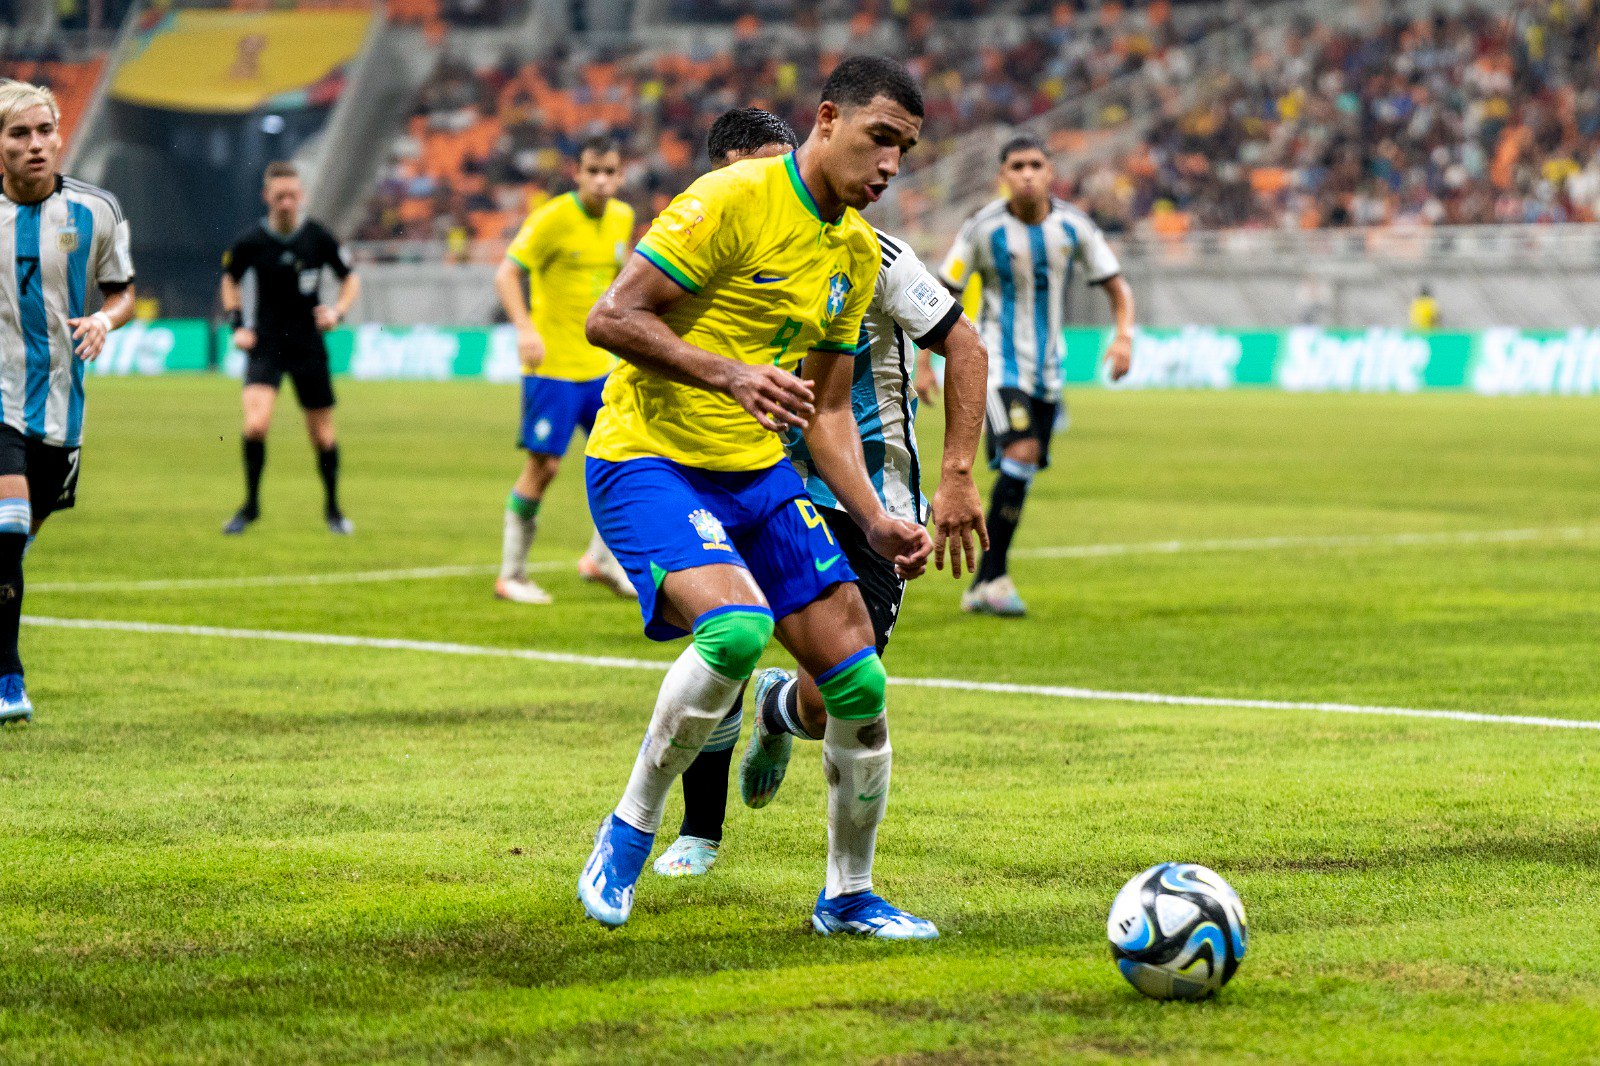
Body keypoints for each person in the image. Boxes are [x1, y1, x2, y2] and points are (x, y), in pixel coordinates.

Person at [578, 56, 940, 939]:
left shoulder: (854, 252)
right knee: (736, 629)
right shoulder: (730, 199)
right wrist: (728, 373)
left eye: (906, 149)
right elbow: (612, 318)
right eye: (879, 138)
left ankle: (848, 896)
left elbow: (823, 417)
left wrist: (875, 517)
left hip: (758, 475)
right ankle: (627, 833)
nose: (890, 164)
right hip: (649, 458)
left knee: (858, 682)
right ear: (826, 119)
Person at [652, 107, 989, 879]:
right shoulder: (707, 246)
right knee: (724, 641)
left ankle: (780, 711)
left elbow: (962, 344)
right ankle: (700, 833)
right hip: (747, 480)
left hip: (866, 498)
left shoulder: (868, 250)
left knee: (833, 695)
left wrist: (958, 474)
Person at [939, 134, 1135, 617]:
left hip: (1049, 369)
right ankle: (996, 579)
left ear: (1051, 172)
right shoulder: (982, 229)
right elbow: (943, 290)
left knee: (1020, 471)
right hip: (998, 363)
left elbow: (1117, 287)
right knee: (1021, 450)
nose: (1026, 174)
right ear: (1002, 176)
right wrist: (925, 362)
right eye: (1017, 166)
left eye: (1035, 165)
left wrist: (1124, 335)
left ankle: (985, 581)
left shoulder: (1074, 226)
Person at [0, 79, 136, 722]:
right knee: (9, 525)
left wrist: (106, 321)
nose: (35, 146)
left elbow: (123, 291)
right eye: (18, 133)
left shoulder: (96, 210)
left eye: (44, 131)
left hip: (59, 408)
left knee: (11, 549)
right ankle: (9, 681)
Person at [493, 136, 634, 604]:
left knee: (626, 462)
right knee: (545, 466)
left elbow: (617, 283)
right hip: (551, 365)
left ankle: (600, 559)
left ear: (621, 174)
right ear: (577, 172)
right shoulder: (552, 218)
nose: (602, 180)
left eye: (610, 172)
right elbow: (507, 273)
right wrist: (523, 328)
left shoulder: (622, 218)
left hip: (601, 367)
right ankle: (511, 574)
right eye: (593, 171)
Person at [220, 161, 362, 536]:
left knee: (323, 436)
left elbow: (350, 279)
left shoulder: (317, 237)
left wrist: (337, 312)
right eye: (279, 196)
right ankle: (250, 506)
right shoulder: (252, 240)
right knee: (255, 425)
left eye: (292, 196)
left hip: (307, 346)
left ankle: (333, 510)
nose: (286, 202)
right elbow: (229, 280)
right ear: (267, 197)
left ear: (302, 197)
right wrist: (237, 324)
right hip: (266, 344)